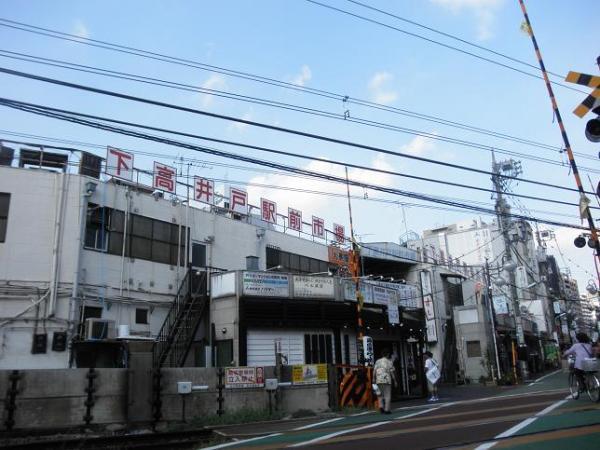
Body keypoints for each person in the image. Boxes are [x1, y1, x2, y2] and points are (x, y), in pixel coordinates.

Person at [374, 348, 397, 414]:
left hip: (378, 380)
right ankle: (387, 410)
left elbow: (374, 370)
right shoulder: (389, 362)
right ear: (388, 354)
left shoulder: (377, 361)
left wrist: (373, 379)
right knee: (387, 395)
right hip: (387, 380)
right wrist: (395, 380)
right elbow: (392, 372)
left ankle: (381, 407)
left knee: (379, 394)